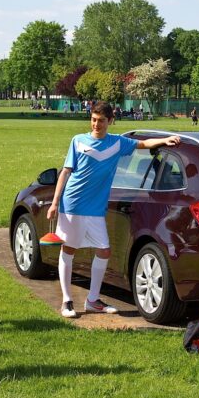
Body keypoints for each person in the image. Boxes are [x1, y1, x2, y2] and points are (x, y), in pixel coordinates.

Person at [47, 101, 181, 318]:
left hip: (96, 209)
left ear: (110, 121)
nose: (96, 124)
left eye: (101, 120)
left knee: (104, 250)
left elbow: (144, 144)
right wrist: (54, 203)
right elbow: (65, 172)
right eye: (93, 120)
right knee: (69, 249)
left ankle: (92, 300)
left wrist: (165, 140)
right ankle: (67, 301)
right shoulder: (78, 141)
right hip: (73, 203)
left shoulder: (117, 143)